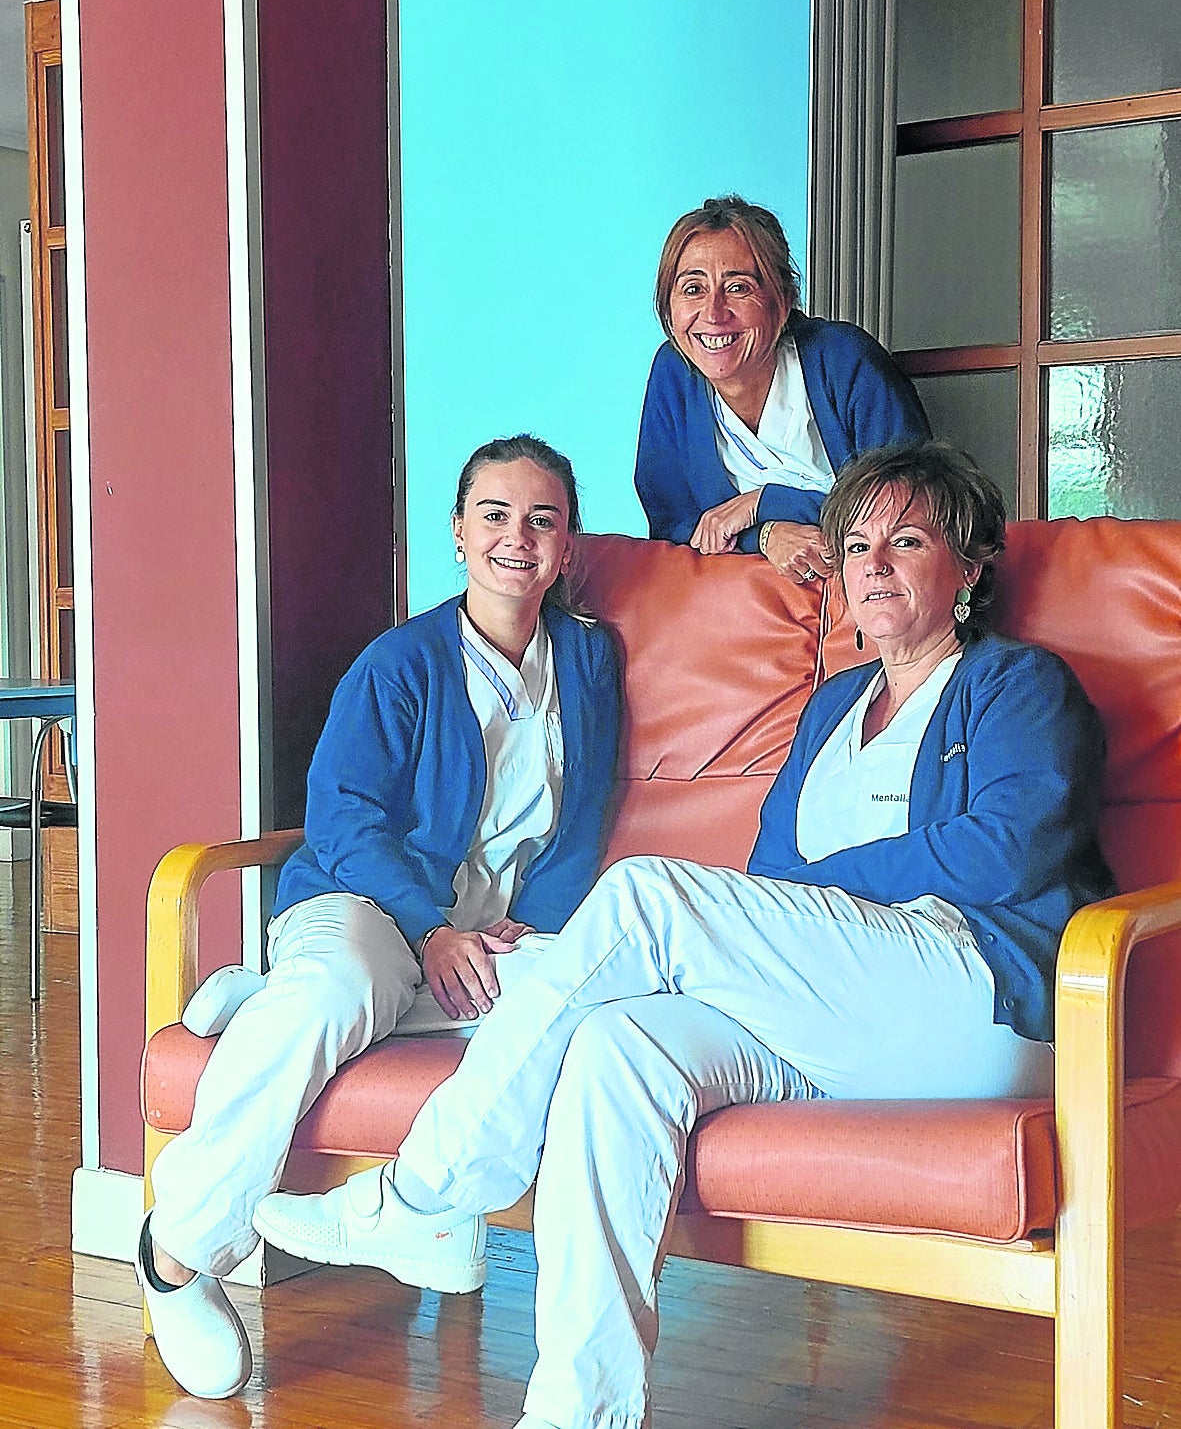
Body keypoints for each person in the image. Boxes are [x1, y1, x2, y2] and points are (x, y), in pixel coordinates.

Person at [255, 441, 1116, 1429]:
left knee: (645, 897)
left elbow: (1001, 851)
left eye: (907, 541)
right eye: (857, 544)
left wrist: (823, 898)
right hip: (831, 1008)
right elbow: (772, 871)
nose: (872, 564)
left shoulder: (1015, 687)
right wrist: (805, 911)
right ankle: (584, 1409)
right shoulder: (835, 703)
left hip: (971, 1001)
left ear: (965, 569)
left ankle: (428, 1187)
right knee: (616, 1048)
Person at [137, 434, 622, 1401]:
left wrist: (529, 925)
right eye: (494, 514)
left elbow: (584, 819)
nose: (516, 537)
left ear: (568, 546)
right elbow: (344, 818)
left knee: (578, 1002)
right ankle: (179, 1248)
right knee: (344, 983)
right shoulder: (400, 663)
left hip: (492, 926)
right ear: (455, 533)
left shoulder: (590, 661)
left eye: (542, 519)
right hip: (365, 900)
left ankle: (261, 1004)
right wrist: (429, 925)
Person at [635, 194, 931, 582]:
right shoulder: (674, 372)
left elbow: (913, 505)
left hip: (873, 596)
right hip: (752, 615)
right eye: (692, 289)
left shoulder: (844, 359)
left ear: (784, 299)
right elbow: (673, 528)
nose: (713, 313)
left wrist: (764, 503)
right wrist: (767, 535)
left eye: (738, 287)